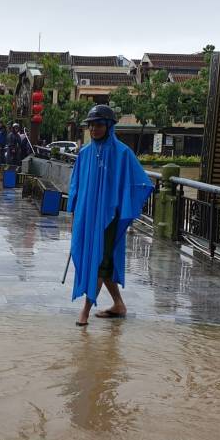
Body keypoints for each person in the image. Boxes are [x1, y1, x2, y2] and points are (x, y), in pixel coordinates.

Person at [67, 104, 154, 327]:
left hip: (108, 218)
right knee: (93, 259)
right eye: (91, 125)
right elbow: (75, 185)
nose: (94, 129)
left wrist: (122, 205)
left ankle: (85, 311)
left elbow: (140, 181)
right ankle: (118, 304)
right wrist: (73, 213)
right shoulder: (84, 153)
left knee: (99, 261)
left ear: (109, 126)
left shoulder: (123, 153)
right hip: (86, 216)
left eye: (99, 125)